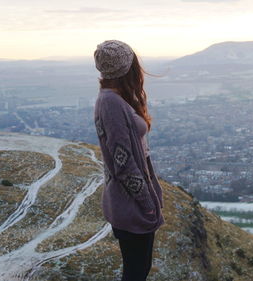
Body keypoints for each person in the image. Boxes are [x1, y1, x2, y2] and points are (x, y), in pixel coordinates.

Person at [93, 40, 165, 281]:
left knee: (138, 268)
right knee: (136, 272)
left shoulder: (115, 99)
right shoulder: (111, 103)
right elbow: (122, 162)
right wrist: (146, 203)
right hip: (130, 204)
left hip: (130, 202)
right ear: (128, 68)